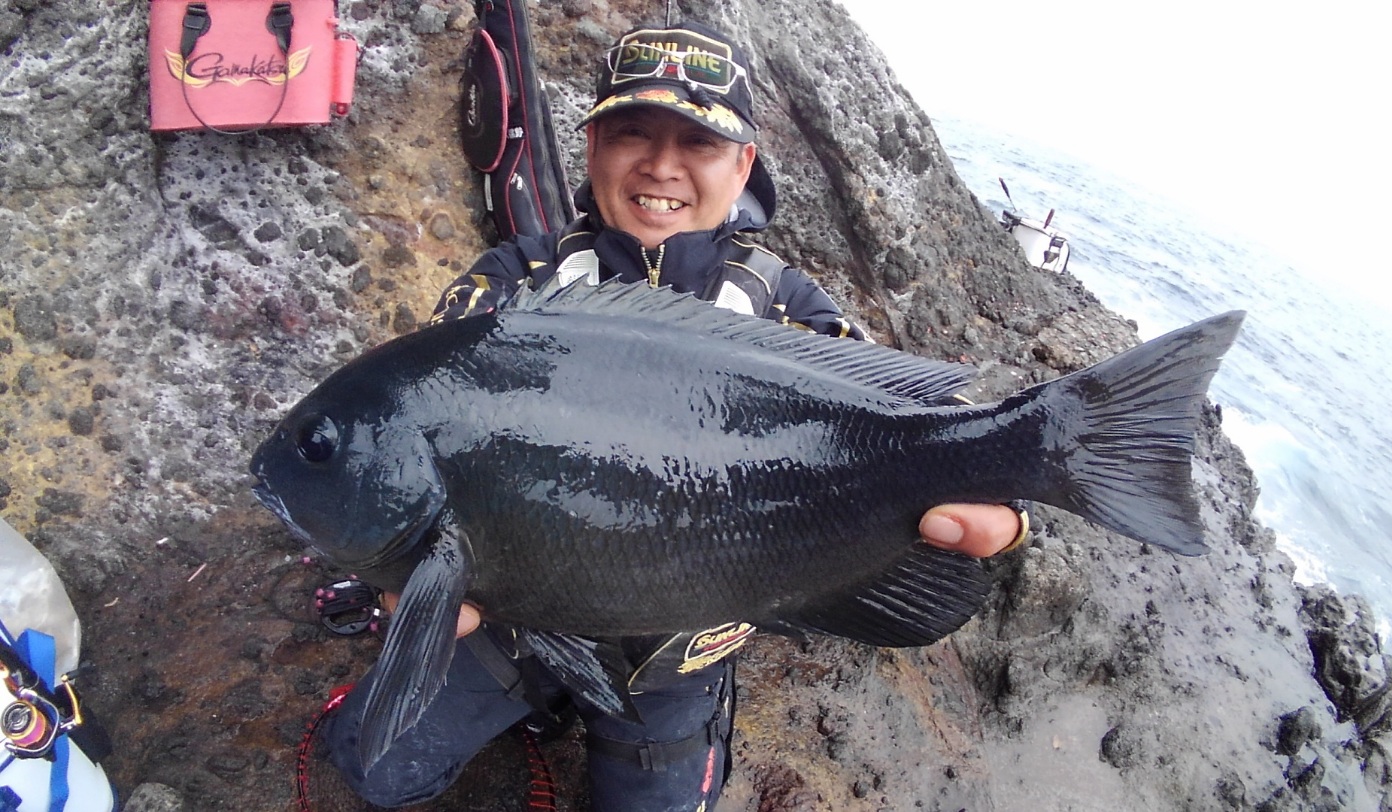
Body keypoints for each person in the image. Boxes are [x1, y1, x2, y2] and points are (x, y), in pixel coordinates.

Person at [323, 20, 1029, 811]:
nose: (661, 166)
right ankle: (536, 693)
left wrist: (1001, 486)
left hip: (682, 657)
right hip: (503, 633)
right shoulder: (509, 290)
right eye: (630, 132)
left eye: (698, 142)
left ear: (744, 165)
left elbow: (916, 428)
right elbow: (420, 445)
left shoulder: (790, 314)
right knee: (372, 769)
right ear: (590, 148)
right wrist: (397, 576)